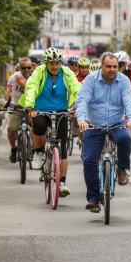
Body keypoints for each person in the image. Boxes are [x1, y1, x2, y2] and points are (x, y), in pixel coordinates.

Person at [76, 52, 131, 212]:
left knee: (125, 139)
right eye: (108, 66)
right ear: (101, 66)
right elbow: (82, 100)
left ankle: (122, 168)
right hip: (93, 124)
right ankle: (93, 199)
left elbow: (130, 101)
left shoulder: (124, 81)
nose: (112, 69)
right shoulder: (91, 79)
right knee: (89, 160)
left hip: (117, 123)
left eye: (115, 66)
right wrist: (81, 119)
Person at [19, 47, 81, 197]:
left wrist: (81, 103)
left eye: (57, 63)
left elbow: (76, 88)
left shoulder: (67, 73)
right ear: (46, 63)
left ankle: (62, 184)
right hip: (40, 109)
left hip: (61, 111)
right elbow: (31, 88)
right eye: (51, 63)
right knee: (38, 125)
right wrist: (30, 105)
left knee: (63, 148)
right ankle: (39, 152)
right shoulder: (39, 73)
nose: (54, 67)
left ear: (61, 63)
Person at [5, 57, 33, 163]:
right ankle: (13, 148)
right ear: (19, 68)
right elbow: (26, 87)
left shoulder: (35, 76)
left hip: (31, 106)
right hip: (17, 106)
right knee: (11, 131)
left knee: (37, 127)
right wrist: (7, 103)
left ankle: (34, 150)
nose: (26, 70)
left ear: (31, 68)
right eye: (23, 68)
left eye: (28, 67)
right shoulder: (17, 75)